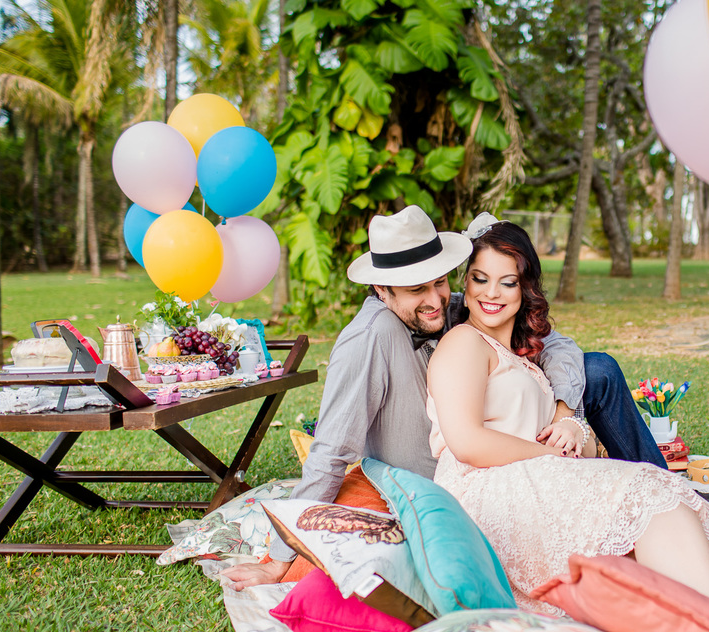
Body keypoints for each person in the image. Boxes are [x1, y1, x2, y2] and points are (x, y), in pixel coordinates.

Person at [222, 207, 665, 590]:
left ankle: (661, 496)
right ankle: (637, 515)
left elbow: (560, 344)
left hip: (517, 435)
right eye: (418, 289)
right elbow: (331, 452)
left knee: (599, 369)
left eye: (439, 282)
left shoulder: (444, 306)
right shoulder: (369, 340)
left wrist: (567, 413)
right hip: (449, 475)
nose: (435, 299)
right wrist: (278, 560)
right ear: (382, 289)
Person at [427, 219, 709, 611]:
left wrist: (572, 425)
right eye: (479, 279)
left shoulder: (527, 361)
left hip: (535, 479)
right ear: (464, 287)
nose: (492, 293)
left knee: (660, 507)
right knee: (650, 495)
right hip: (485, 491)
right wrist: (550, 455)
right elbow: (467, 442)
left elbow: (578, 448)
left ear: (525, 289)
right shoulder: (464, 342)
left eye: (507, 282)